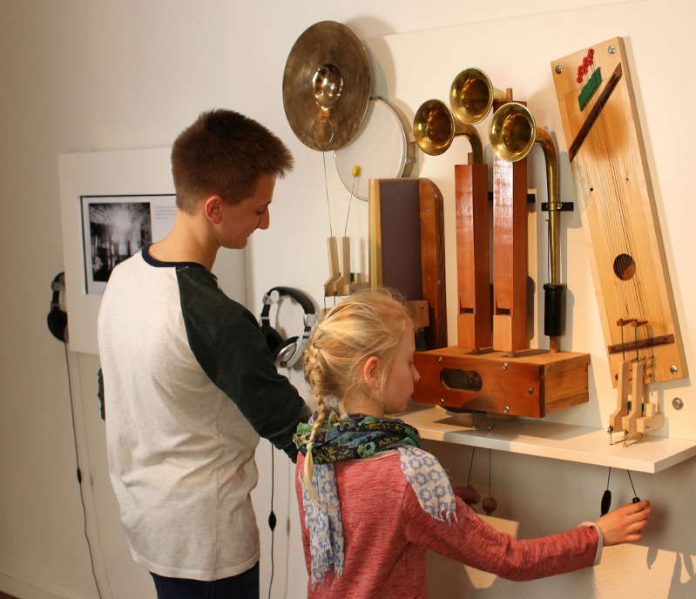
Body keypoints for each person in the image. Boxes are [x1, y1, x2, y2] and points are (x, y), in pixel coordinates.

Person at [293, 289, 652, 598]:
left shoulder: (311, 450)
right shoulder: (406, 476)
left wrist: (440, 499)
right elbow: (511, 559)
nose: (417, 375)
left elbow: (370, 522)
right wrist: (597, 535)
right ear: (372, 372)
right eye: (408, 362)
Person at [98, 109, 311, 599]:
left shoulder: (124, 279)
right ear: (214, 208)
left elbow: (110, 399)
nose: (266, 220)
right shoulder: (215, 317)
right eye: (259, 208)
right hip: (208, 544)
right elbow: (297, 434)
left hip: (147, 523)